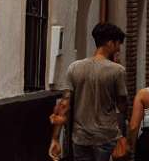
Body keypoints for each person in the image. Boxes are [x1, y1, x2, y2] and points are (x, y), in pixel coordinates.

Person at [50, 23, 129, 161]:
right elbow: (122, 106)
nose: (118, 49)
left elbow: (64, 105)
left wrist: (55, 139)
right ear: (110, 43)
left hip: (81, 138)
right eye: (118, 44)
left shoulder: (74, 68)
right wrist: (122, 134)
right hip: (106, 137)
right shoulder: (117, 71)